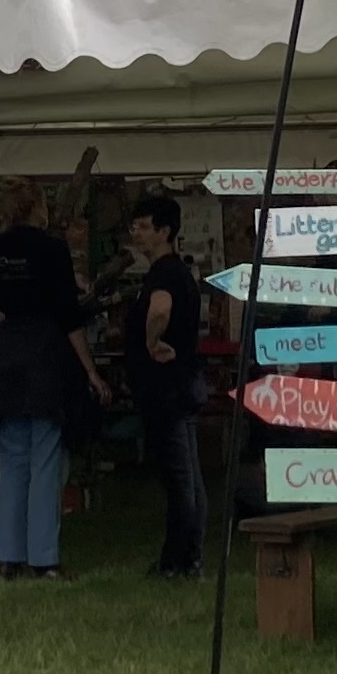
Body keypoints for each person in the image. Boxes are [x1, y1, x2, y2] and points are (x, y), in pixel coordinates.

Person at [0, 188, 105, 578]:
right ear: (37, 208)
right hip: (44, 353)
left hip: (4, 350)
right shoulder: (51, 249)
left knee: (11, 458)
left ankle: (8, 557)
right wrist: (90, 370)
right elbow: (68, 314)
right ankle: (44, 559)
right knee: (45, 459)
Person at [122, 194, 209, 577]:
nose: (136, 234)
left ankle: (175, 562)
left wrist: (150, 341)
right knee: (190, 476)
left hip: (166, 388)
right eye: (134, 227)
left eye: (143, 227)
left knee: (179, 480)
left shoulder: (164, 273)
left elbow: (160, 309)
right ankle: (190, 556)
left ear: (165, 231)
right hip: (184, 384)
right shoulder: (179, 273)